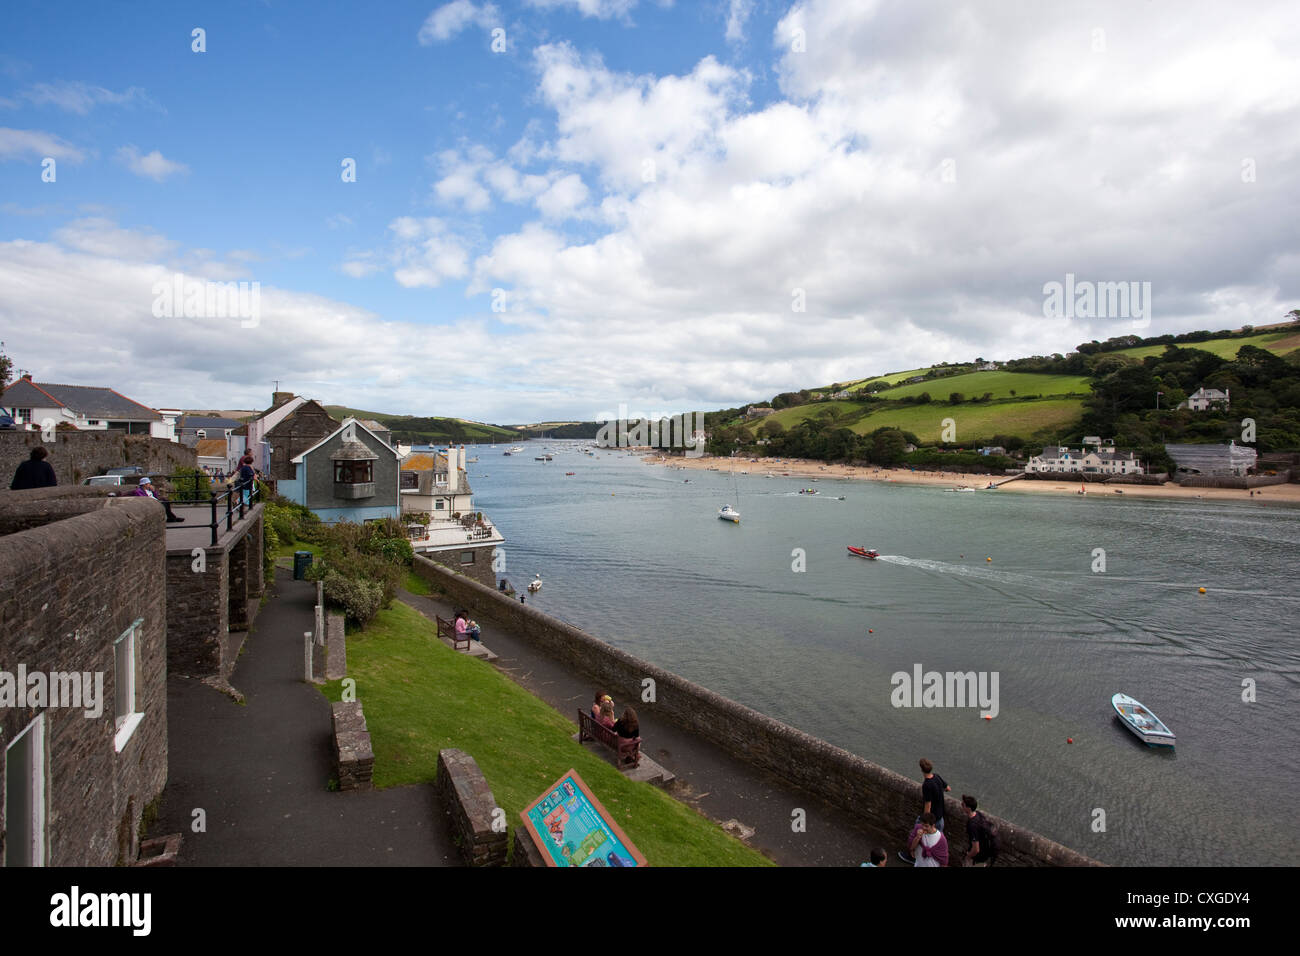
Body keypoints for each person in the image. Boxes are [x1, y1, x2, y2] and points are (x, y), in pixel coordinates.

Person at [961, 794, 998, 867]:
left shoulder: (972, 825)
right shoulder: (978, 814)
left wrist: (968, 856)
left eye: (963, 805)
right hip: (985, 855)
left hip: (977, 858)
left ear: (968, 808)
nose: (961, 805)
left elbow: (976, 849)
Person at [918, 757, 951, 833]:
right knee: (938, 840)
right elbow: (948, 788)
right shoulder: (937, 777)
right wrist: (938, 790)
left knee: (918, 832)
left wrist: (925, 823)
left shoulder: (926, 785)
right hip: (940, 818)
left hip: (932, 820)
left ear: (922, 770)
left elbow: (928, 805)